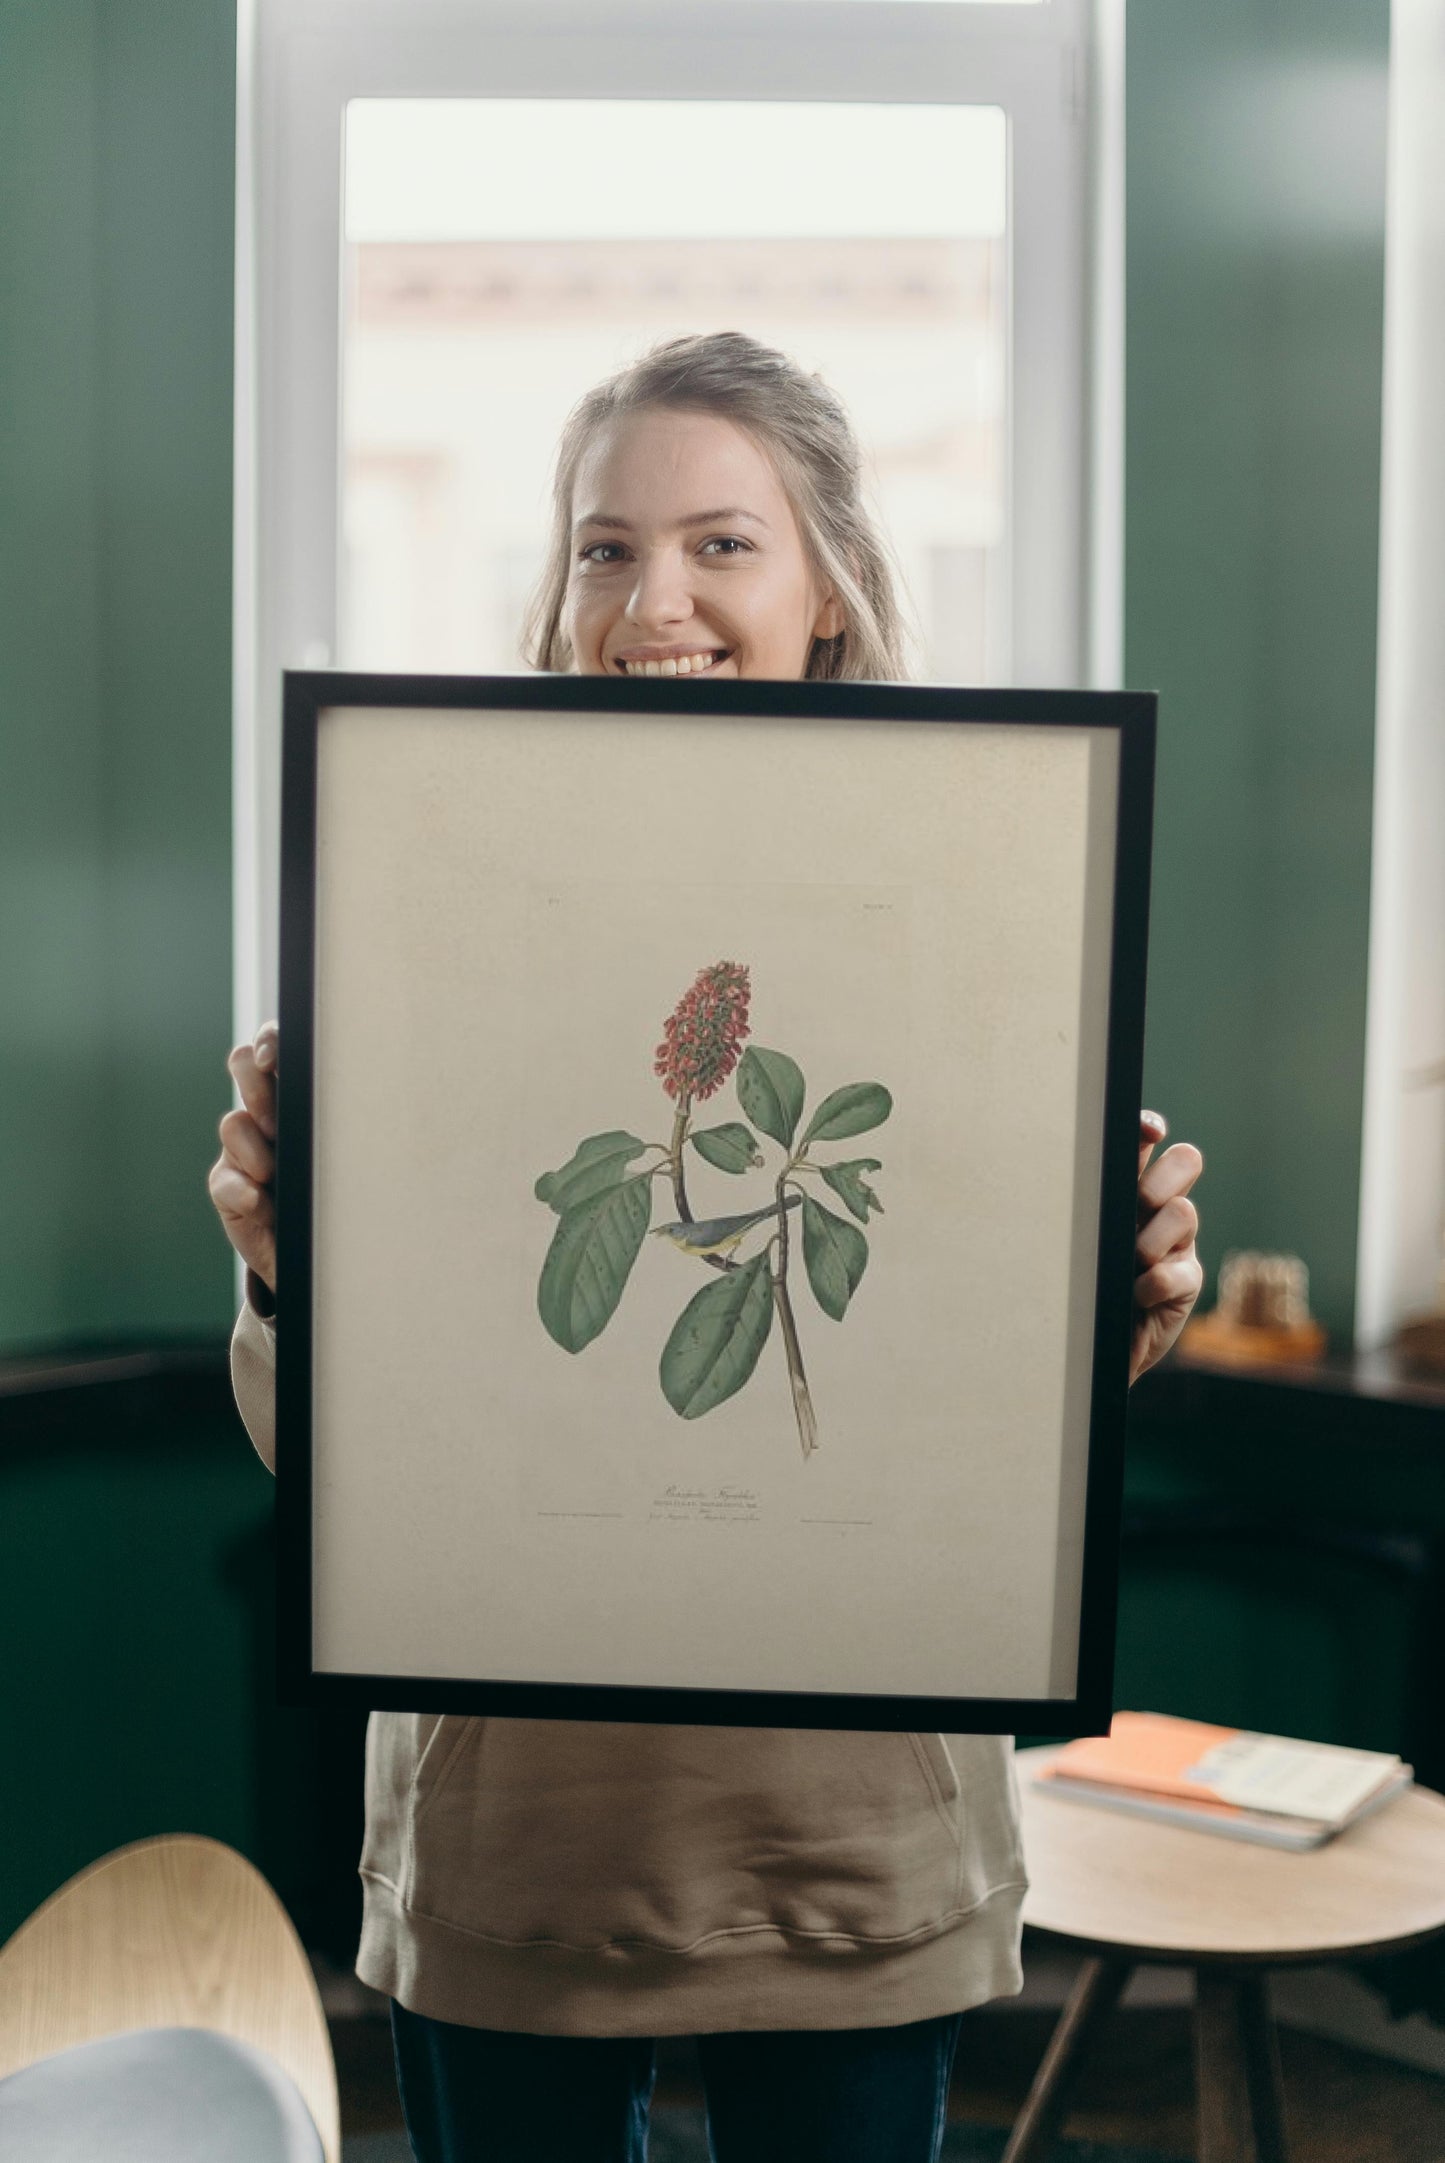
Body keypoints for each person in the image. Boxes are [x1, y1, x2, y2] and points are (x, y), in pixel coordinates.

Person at [209, 332, 1204, 2163]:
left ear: (826, 585)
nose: (649, 597)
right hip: (520, 1831)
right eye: (603, 546)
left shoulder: (983, 900)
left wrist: (1112, 1304)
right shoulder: (420, 902)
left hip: (850, 1834)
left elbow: (975, 1404)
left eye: (719, 543)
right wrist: (286, 1274)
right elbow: (338, 1459)